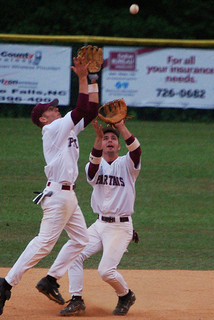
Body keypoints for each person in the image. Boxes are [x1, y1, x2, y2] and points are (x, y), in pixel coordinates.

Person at [0, 56, 100, 316]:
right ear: (43, 119)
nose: (55, 109)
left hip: (68, 197)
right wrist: (83, 78)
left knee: (81, 240)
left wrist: (93, 78)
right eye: (51, 109)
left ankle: (50, 280)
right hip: (58, 196)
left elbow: (92, 111)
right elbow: (82, 107)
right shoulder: (52, 130)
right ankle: (5, 283)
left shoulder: (67, 129)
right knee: (44, 243)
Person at [60, 119, 142, 316]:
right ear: (100, 143)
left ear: (119, 144)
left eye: (113, 138)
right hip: (99, 225)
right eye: (105, 138)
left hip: (120, 228)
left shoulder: (128, 164)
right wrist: (97, 139)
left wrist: (121, 126)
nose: (109, 141)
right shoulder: (93, 165)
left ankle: (125, 295)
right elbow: (93, 168)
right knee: (74, 255)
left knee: (106, 271)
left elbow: (136, 151)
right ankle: (77, 299)